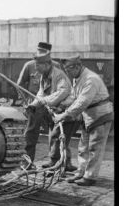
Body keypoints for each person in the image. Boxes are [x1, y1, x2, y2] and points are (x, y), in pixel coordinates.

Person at [55, 56, 114, 186]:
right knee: (83, 148)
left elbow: (82, 102)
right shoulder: (78, 78)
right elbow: (74, 97)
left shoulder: (90, 79)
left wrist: (63, 115)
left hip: (100, 116)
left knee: (94, 148)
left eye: (68, 70)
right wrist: (61, 105)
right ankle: (81, 172)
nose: (67, 73)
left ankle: (90, 177)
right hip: (88, 117)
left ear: (77, 67)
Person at [24, 52, 77, 171]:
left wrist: (43, 101)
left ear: (47, 64)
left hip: (63, 109)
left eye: (38, 65)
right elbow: (41, 93)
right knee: (56, 136)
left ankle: (57, 163)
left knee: (58, 137)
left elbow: (62, 92)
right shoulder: (44, 75)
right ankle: (60, 162)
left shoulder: (59, 75)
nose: (36, 67)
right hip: (52, 109)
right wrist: (33, 105)